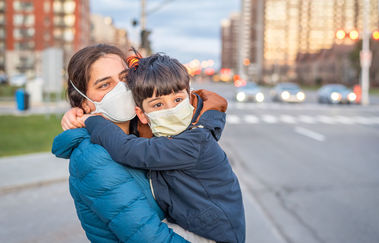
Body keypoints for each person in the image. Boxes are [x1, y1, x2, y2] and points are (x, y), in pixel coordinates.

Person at [52, 44, 211, 242]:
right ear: (85, 102)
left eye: (125, 78)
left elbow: (202, 112)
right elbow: (151, 238)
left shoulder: (143, 129)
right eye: (104, 85)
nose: (121, 89)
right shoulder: (93, 158)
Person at [82, 52, 246, 243]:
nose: (170, 109)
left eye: (177, 100)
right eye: (158, 104)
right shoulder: (164, 135)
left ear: (189, 99)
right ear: (142, 115)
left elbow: (127, 149)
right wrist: (79, 111)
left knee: (138, 232)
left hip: (214, 236)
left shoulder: (194, 142)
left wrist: (93, 122)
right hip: (195, 225)